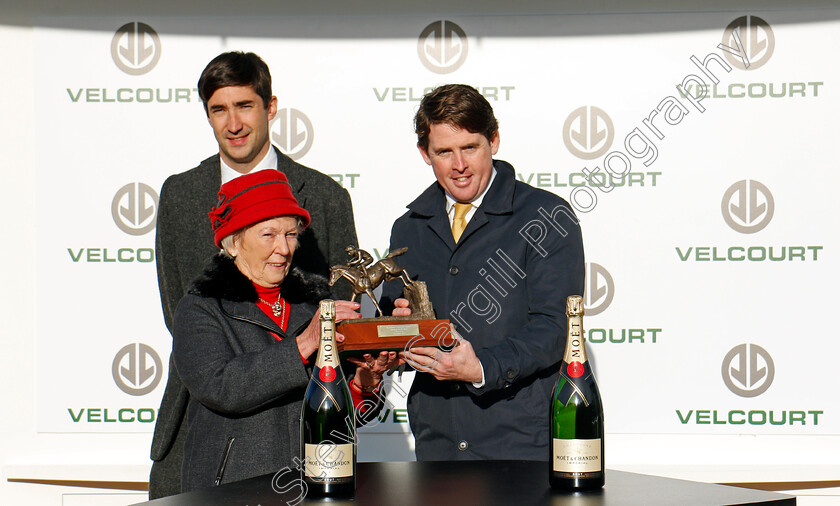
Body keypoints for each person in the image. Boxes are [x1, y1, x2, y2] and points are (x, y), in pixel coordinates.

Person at [150, 51, 358, 498]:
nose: (234, 123)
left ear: (270, 106)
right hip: (199, 413)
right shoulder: (180, 195)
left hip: (302, 421)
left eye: (244, 106)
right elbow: (177, 311)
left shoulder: (324, 195)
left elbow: (341, 310)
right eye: (218, 110)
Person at [381, 84, 585, 461]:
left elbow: (557, 327)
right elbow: (393, 322)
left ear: (493, 140)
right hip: (437, 440)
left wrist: (481, 368)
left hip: (520, 443)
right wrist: (393, 338)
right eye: (444, 151)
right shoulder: (407, 228)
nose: (459, 165)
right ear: (425, 153)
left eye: (470, 147)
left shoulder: (546, 216)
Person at [174, 169, 397, 492]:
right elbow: (221, 387)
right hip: (231, 492)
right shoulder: (202, 308)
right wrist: (304, 343)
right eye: (269, 235)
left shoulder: (314, 306)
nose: (284, 248)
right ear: (233, 243)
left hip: (315, 486)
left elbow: (346, 416)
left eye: (291, 235)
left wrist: (365, 383)